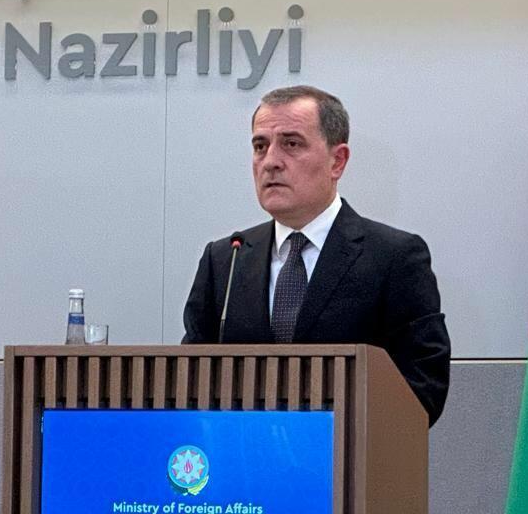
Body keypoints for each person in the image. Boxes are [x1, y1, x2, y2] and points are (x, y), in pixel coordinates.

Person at [182, 85, 450, 425]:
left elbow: (423, 389)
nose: (271, 162)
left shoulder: (393, 257)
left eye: (291, 144)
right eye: (260, 146)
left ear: (337, 161)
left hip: (345, 454)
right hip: (240, 453)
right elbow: (188, 382)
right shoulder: (225, 260)